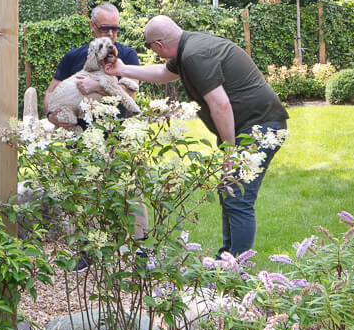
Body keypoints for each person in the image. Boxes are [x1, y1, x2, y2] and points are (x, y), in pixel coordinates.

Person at [87, 15, 288, 257]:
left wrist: (230, 152)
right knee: (229, 190)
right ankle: (226, 258)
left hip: (260, 126)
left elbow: (220, 104)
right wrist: (122, 69)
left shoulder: (194, 56)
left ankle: (238, 269)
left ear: (158, 45)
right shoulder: (189, 48)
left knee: (238, 197)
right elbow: (164, 73)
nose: (152, 51)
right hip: (253, 125)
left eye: (150, 46)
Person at [48, 3, 140, 128]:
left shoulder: (128, 55)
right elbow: (51, 92)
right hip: (78, 137)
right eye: (105, 28)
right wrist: (50, 115)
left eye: (115, 28)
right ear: (92, 25)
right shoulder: (72, 56)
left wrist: (96, 87)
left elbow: (130, 95)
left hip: (115, 134)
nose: (111, 33)